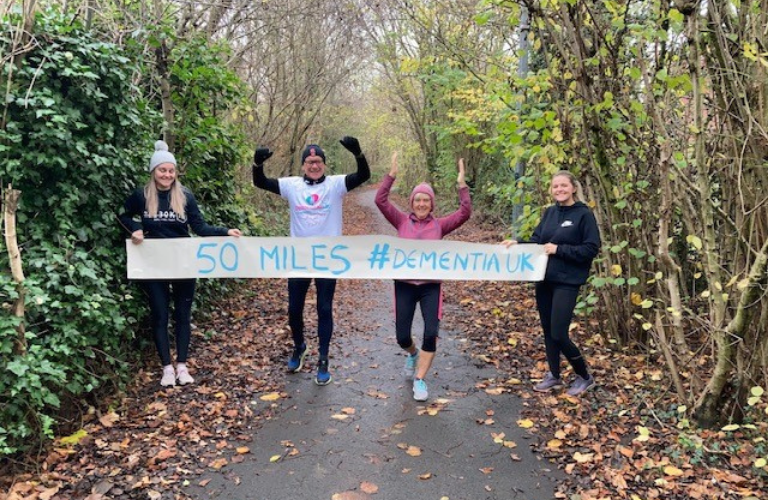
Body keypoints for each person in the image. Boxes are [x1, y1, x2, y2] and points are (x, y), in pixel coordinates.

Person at [119, 140, 242, 387]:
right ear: (153, 171)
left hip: (184, 263)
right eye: (162, 170)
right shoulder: (141, 196)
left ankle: (183, 366)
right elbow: (121, 214)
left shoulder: (185, 196)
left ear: (175, 173)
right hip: (154, 265)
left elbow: (200, 227)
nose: (167, 175)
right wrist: (135, 228)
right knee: (160, 314)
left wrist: (225, 232)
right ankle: (167, 368)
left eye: (171, 170)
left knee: (183, 315)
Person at [252, 137, 370, 385]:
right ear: (303, 165)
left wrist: (358, 153)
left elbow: (363, 175)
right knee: (294, 309)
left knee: (324, 308)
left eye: (318, 161)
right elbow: (260, 182)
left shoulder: (335, 185)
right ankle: (299, 347)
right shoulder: (292, 186)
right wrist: (257, 163)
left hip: (328, 258)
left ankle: (324, 359)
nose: (314, 165)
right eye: (309, 161)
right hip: (300, 258)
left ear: (324, 164)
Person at [375, 152, 472, 401]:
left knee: (431, 332)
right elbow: (380, 200)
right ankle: (413, 353)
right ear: (411, 202)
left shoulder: (440, 225)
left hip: (431, 286)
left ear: (431, 204)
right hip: (405, 285)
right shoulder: (400, 221)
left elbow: (464, 213)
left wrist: (462, 184)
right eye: (417, 200)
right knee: (402, 336)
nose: (421, 204)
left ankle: (419, 380)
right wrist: (391, 175)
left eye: (425, 200)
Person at [502, 170, 600, 397]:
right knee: (548, 330)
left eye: (564, 185)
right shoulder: (549, 213)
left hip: (567, 281)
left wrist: (559, 250)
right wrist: (517, 244)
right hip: (544, 278)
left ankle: (584, 376)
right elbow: (538, 241)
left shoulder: (583, 215)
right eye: (555, 186)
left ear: (573, 187)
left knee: (559, 332)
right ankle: (554, 376)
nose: (559, 190)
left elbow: (591, 248)